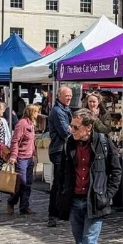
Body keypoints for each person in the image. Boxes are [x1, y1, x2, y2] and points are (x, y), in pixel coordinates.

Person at [57, 109, 122, 244]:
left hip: (95, 200)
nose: (72, 129)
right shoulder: (69, 143)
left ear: (88, 127)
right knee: (80, 243)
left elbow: (116, 171)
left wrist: (107, 195)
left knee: (89, 242)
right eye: (72, 126)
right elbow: (62, 171)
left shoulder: (102, 142)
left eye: (76, 127)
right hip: (74, 200)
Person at [7, 104, 40, 215]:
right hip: (21, 158)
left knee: (28, 183)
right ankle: (11, 201)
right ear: (31, 112)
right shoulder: (22, 124)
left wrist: (34, 155)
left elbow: (31, 142)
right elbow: (15, 140)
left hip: (29, 157)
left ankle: (24, 206)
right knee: (21, 183)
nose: (37, 114)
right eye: (36, 112)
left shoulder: (31, 124)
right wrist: (13, 155)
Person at [48, 87, 73, 227]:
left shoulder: (66, 109)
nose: (69, 98)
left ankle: (62, 211)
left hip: (64, 150)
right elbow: (66, 132)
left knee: (64, 182)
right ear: (59, 96)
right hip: (59, 151)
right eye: (66, 96)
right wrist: (72, 129)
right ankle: (52, 214)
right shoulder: (58, 111)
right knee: (58, 183)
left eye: (70, 95)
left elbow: (72, 128)